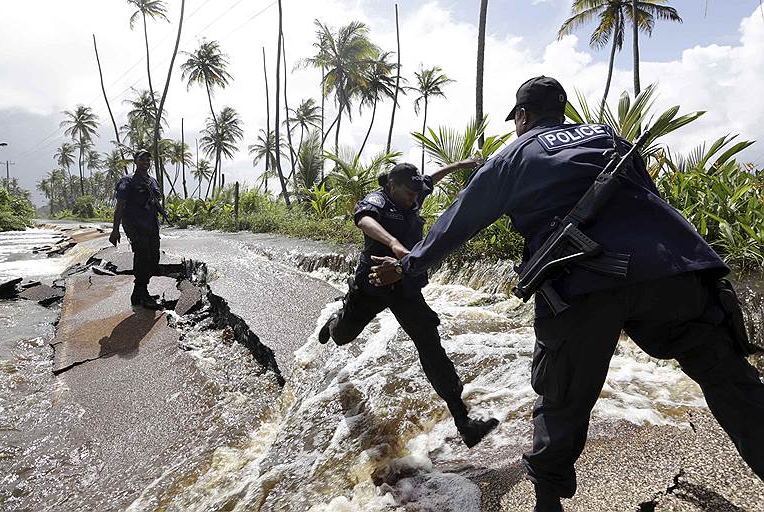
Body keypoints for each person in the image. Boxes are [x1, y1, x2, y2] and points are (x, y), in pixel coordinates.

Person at [369, 76, 764, 512]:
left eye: (517, 119)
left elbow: (458, 222)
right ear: (561, 112)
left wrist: (407, 266)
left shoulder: (515, 154)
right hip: (675, 268)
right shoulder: (609, 138)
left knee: (562, 401)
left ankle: (546, 504)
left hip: (582, 282)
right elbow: (646, 196)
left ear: (522, 116)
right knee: (734, 385)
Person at [318, 160, 500, 449]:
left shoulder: (414, 191)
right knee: (342, 337)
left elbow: (433, 178)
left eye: (416, 193)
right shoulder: (377, 200)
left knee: (431, 345)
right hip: (373, 286)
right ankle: (334, 321)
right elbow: (364, 219)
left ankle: (464, 422)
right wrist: (393, 243)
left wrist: (465, 164)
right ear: (391, 186)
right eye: (407, 193)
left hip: (404, 286)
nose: (413, 198)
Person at [109, 150, 164, 310]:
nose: (145, 161)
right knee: (143, 257)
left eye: (148, 159)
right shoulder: (127, 181)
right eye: (142, 159)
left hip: (152, 225)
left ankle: (138, 292)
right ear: (135, 161)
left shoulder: (153, 181)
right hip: (135, 226)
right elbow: (120, 206)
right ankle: (143, 294)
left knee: (154, 258)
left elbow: (155, 201)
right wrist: (115, 229)